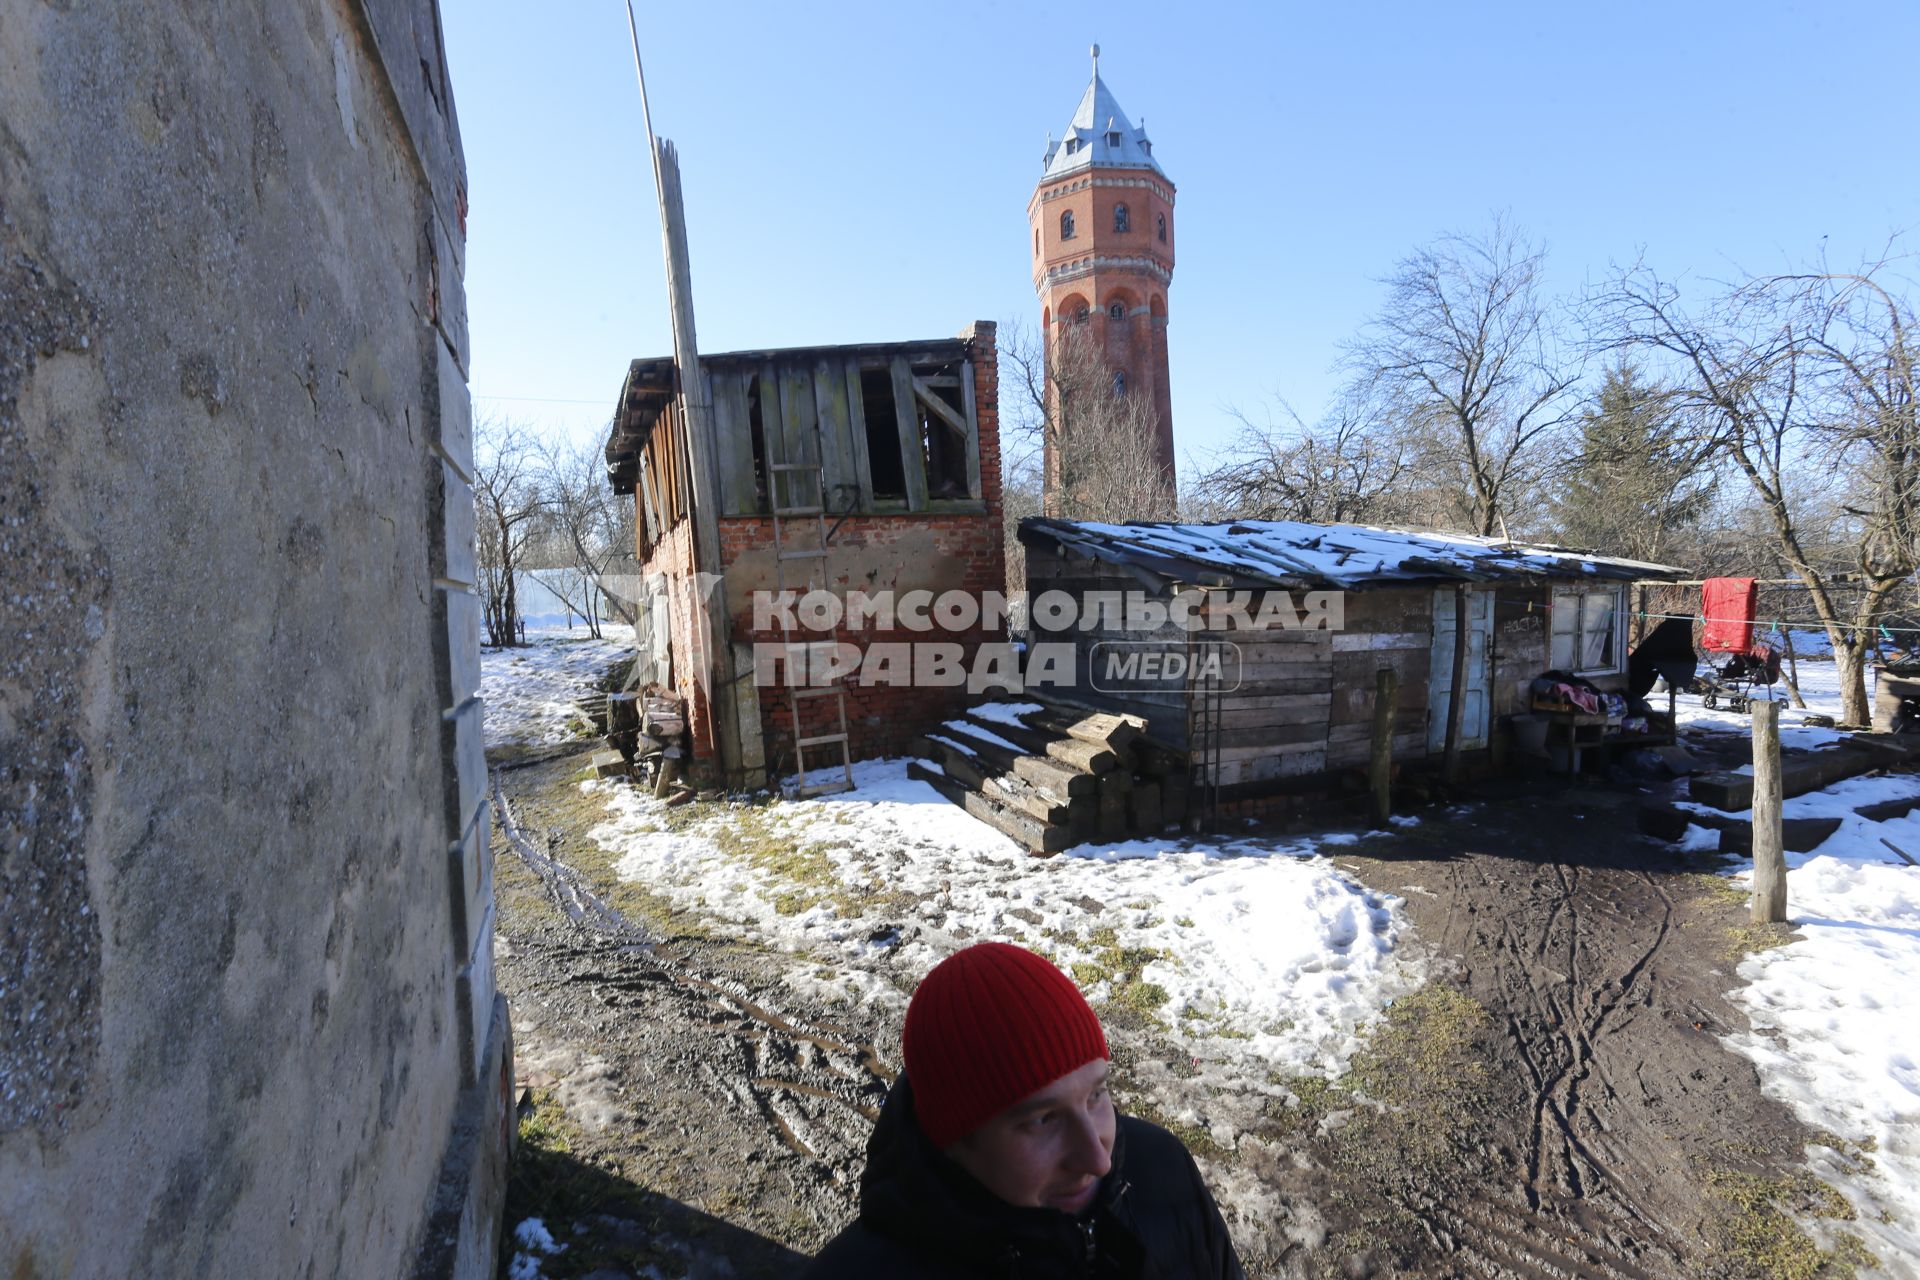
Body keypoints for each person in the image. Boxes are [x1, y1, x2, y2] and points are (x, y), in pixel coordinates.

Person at [807, 941, 1245, 1278]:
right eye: (1043, 1119)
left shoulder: (1161, 1168)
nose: (1097, 1158)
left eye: (1095, 1095)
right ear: (954, 1141)